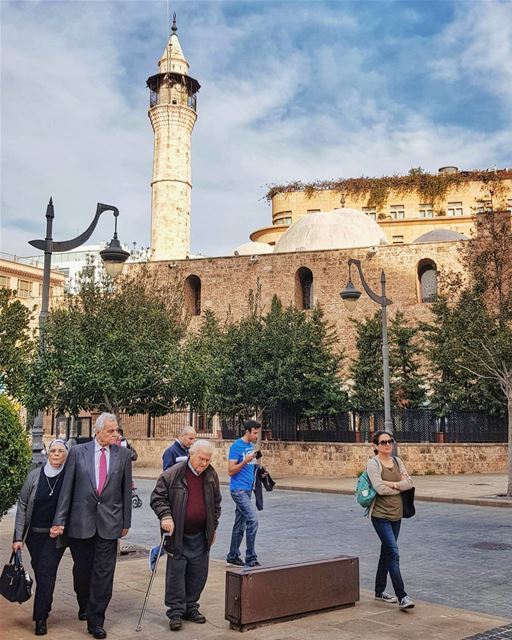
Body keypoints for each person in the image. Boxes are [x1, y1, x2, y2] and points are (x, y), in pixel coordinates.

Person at [50, 413, 132, 640]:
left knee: (104, 573)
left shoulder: (123, 455)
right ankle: (84, 602)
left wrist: (126, 522)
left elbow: (126, 490)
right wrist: (60, 520)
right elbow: (66, 489)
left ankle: (97, 620)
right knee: (83, 569)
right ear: (98, 431)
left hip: (110, 522)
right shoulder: (77, 452)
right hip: (81, 522)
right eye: (110, 431)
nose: (115, 435)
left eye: (117, 431)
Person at [150, 439, 221, 632]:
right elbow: (157, 498)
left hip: (200, 534)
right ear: (191, 454)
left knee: (198, 574)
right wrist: (165, 516)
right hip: (178, 533)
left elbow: (216, 504)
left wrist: (212, 527)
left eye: (207, 460)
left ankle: (191, 607)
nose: (204, 463)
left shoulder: (211, 475)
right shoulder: (173, 474)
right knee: (176, 574)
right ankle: (175, 612)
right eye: (201, 459)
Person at [12, 439, 69, 636]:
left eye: (60, 451)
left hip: (55, 537)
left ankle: (40, 618)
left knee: (45, 573)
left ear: (66, 455)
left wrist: (63, 525)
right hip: (33, 536)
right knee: (43, 573)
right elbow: (22, 505)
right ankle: (46, 603)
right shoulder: (34, 476)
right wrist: (18, 538)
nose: (56, 454)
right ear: (47, 453)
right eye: (53, 450)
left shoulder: (68, 479)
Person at [366, 430, 415, 611]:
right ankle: (402, 596)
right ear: (376, 446)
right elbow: (379, 489)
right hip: (380, 516)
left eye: (390, 441)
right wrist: (398, 486)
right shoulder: (373, 464)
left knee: (386, 552)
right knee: (393, 553)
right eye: (384, 442)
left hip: (397, 514)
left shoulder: (397, 461)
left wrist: (392, 484)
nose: (388, 445)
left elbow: (409, 482)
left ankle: (379, 591)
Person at [226, 420, 261, 568]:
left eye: (258, 433)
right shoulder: (236, 447)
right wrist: (246, 461)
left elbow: (249, 468)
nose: (256, 436)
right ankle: (251, 558)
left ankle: (233, 555)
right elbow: (231, 470)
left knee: (239, 524)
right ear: (247, 431)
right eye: (254, 433)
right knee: (252, 520)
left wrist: (259, 470)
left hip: (247, 490)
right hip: (238, 490)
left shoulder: (250, 447)